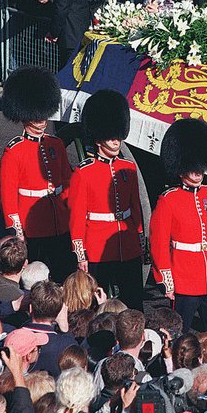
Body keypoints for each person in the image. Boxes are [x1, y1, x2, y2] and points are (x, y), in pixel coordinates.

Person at [150, 119, 207, 334]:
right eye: (191, 168)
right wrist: (166, 279)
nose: (197, 173)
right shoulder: (168, 200)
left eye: (199, 168)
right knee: (180, 335)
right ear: (180, 168)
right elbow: (159, 244)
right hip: (184, 278)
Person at [68, 90, 144, 310]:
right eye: (111, 136)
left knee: (133, 301)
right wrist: (81, 254)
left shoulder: (128, 168)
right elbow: (77, 218)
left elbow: (135, 208)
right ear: (99, 138)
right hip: (98, 246)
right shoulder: (84, 173)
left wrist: (139, 239)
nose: (116, 140)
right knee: (94, 305)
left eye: (118, 135)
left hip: (127, 244)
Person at [0, 67, 72, 276]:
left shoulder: (55, 144)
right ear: (24, 115)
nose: (41, 120)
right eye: (35, 114)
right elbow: (8, 197)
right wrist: (17, 231)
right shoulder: (14, 150)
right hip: (33, 225)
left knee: (64, 273)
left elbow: (66, 183)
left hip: (59, 221)